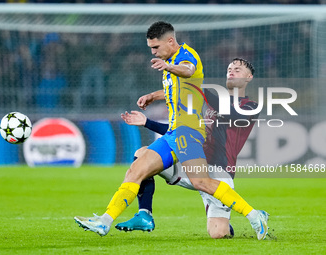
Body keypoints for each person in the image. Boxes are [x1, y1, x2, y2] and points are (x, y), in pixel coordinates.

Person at [74, 22, 269, 240]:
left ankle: (254, 215)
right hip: (175, 135)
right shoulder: (172, 69)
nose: (153, 52)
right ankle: (109, 220)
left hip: (196, 142)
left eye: (155, 47)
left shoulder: (187, 56)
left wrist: (169, 68)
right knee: (137, 167)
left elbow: (189, 70)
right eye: (151, 48)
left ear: (170, 41)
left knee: (203, 188)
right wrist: (152, 96)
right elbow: (176, 90)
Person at [116, 58, 261, 239]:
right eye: (229, 68)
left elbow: (229, 113)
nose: (231, 71)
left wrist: (198, 91)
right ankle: (145, 213)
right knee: (142, 155)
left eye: (238, 69)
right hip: (191, 163)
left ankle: (227, 221)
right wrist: (148, 119)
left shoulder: (250, 106)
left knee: (218, 234)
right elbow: (179, 130)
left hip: (218, 173)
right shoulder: (208, 101)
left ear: (249, 77)